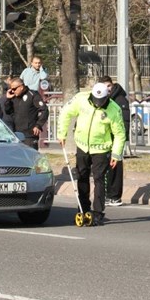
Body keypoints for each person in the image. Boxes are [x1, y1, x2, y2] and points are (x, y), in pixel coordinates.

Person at [57, 79, 126, 226]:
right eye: (96, 100)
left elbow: (120, 134)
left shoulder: (114, 109)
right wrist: (61, 134)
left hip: (101, 148)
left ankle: (98, 212)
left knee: (99, 179)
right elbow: (65, 112)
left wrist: (116, 154)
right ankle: (83, 208)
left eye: (101, 100)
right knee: (82, 176)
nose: (98, 103)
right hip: (82, 145)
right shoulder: (81, 99)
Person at [103, 75, 130, 206]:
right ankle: (107, 194)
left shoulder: (120, 99)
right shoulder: (103, 99)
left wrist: (123, 138)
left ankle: (114, 196)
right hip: (104, 139)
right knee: (106, 168)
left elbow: (125, 120)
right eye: (104, 86)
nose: (107, 89)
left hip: (116, 139)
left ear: (112, 85)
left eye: (108, 86)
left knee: (115, 167)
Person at [2, 77, 49, 149]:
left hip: (29, 134)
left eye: (14, 89)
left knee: (30, 156)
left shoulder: (32, 95)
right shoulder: (14, 97)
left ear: (21, 87)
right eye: (11, 89)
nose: (13, 91)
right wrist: (8, 99)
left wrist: (38, 125)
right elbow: (8, 111)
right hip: (16, 133)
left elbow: (44, 110)